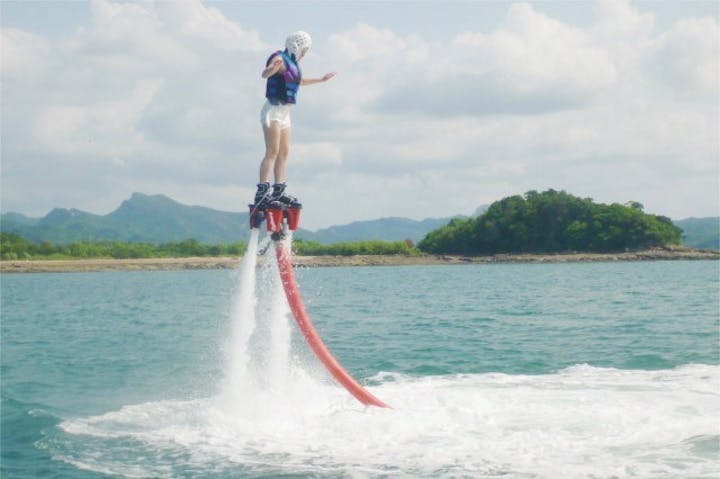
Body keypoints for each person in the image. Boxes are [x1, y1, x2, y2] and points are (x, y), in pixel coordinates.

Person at [253, 31, 337, 212]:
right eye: (305, 50)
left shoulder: (294, 65)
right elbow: (265, 74)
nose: (305, 53)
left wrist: (321, 80)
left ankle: (279, 191)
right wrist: (272, 68)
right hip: (273, 110)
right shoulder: (279, 58)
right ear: (296, 45)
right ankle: (262, 192)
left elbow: (299, 82)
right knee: (272, 151)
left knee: (284, 153)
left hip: (285, 113)